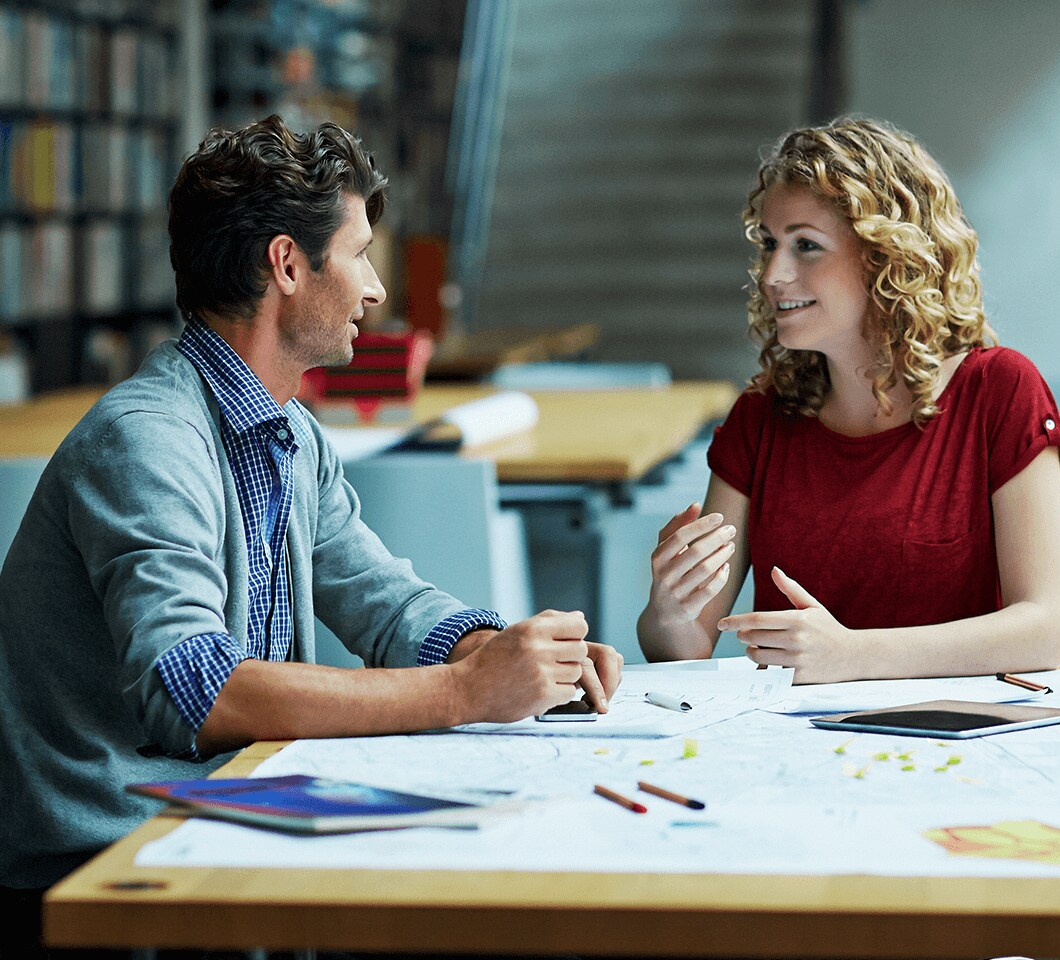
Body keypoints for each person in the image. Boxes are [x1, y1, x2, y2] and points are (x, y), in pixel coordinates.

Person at [0, 115, 622, 944]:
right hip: (111, 864)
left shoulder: (291, 436)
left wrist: (507, 655)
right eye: (359, 253)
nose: (376, 289)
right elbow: (195, 688)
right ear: (287, 264)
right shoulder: (148, 438)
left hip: (224, 817)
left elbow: (385, 602)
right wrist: (464, 693)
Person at [637, 118, 1060, 683]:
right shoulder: (760, 420)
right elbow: (686, 646)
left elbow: (1044, 628)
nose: (773, 274)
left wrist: (852, 655)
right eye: (770, 245)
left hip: (957, 743)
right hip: (799, 744)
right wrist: (668, 610)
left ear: (886, 257)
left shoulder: (1001, 391)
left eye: (806, 246)